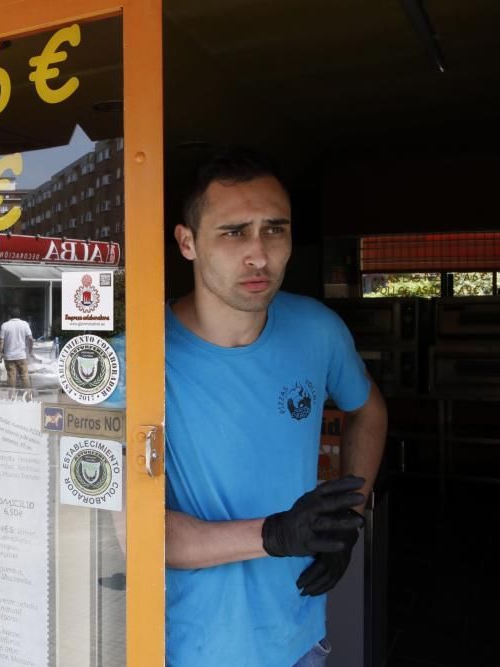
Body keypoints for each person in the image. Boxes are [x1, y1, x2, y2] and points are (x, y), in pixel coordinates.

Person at [165, 147, 387, 666]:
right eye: (233, 231)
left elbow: (368, 411)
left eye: (275, 229)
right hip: (188, 646)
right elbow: (138, 534)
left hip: (300, 635)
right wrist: (273, 534)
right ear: (187, 242)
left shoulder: (316, 330)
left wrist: (346, 523)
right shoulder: (142, 357)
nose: (259, 254)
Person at [0, 307, 33, 391]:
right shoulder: (25, 324)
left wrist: (0, 354)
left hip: (9, 356)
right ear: (19, 316)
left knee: (11, 377)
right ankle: (28, 397)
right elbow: (30, 339)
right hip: (21, 356)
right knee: (24, 377)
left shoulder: (5, 325)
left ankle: (11, 399)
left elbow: (1, 341)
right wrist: (30, 351)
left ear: (10, 316)